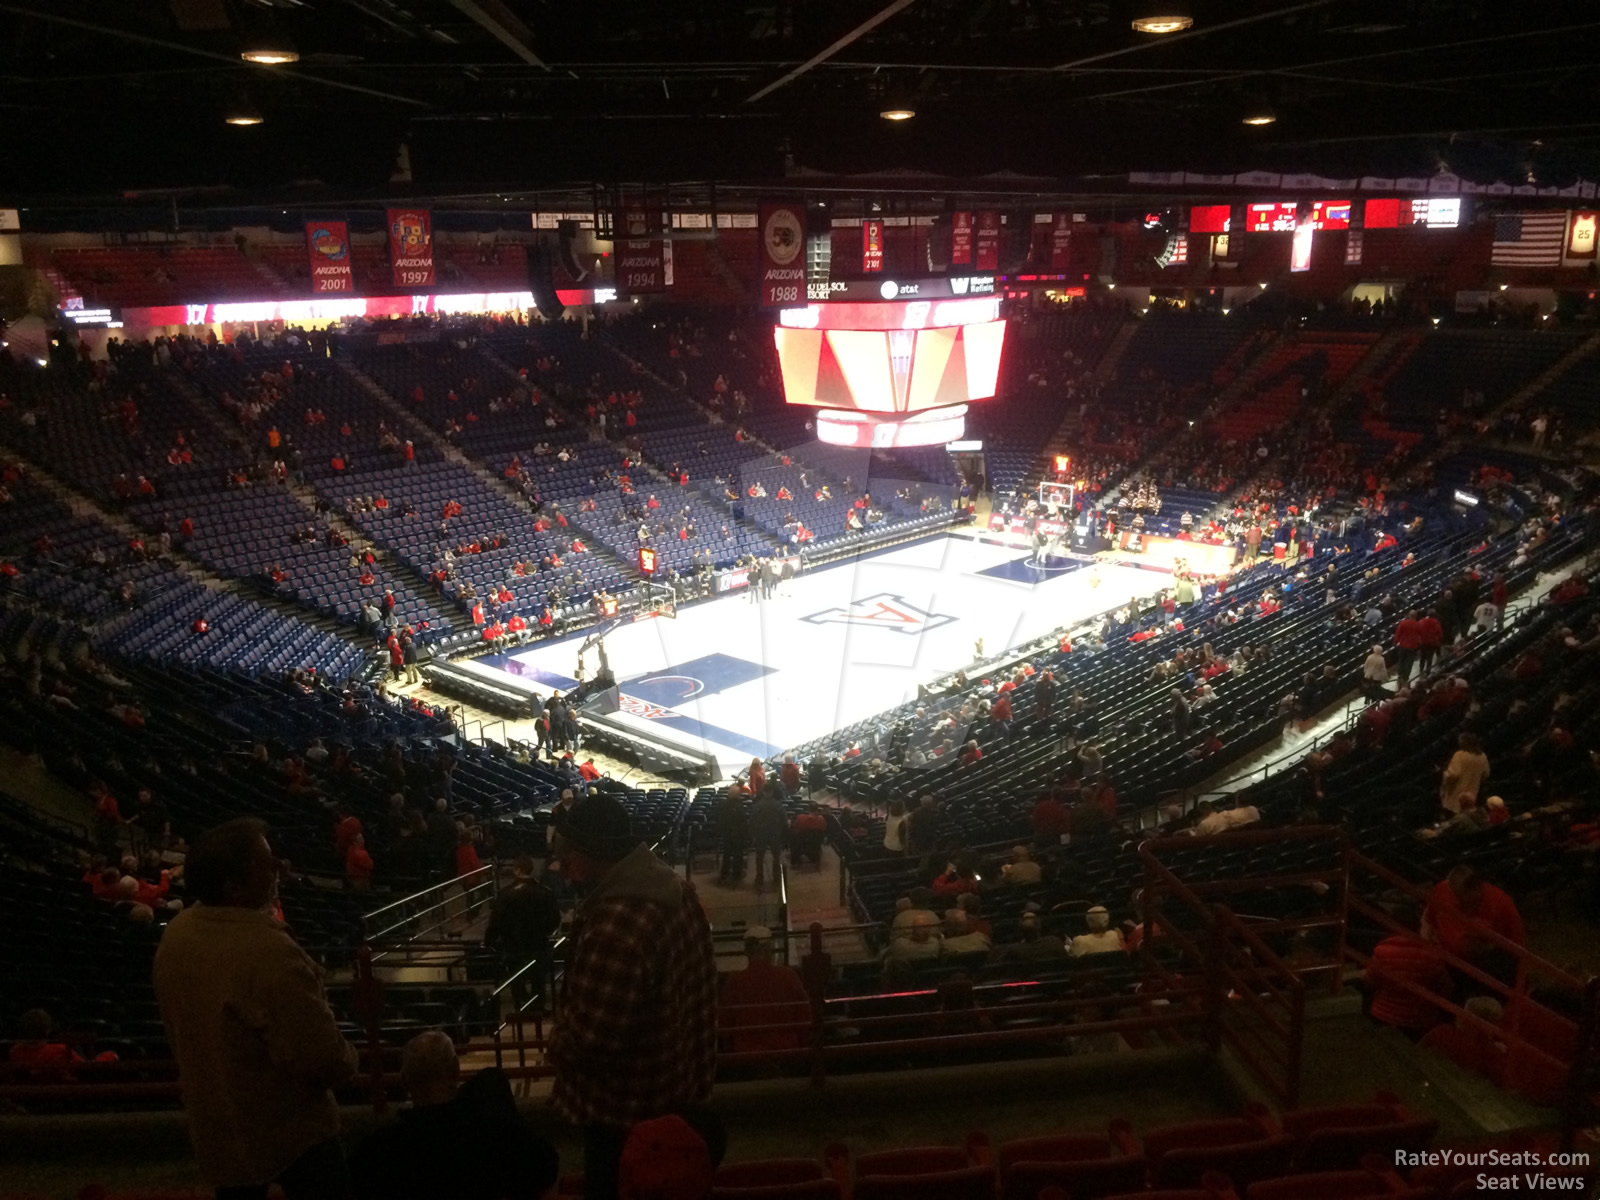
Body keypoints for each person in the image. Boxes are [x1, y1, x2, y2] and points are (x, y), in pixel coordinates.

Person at [154, 817, 359, 1199]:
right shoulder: (267, 951)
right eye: (266, 866)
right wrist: (350, 1059)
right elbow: (318, 1056)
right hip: (290, 1132)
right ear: (234, 887)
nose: (277, 871)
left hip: (216, 1126)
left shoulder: (177, 935)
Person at [549, 795, 717, 1200]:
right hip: (680, 1101)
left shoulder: (615, 926)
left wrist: (556, 1044)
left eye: (568, 852)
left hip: (624, 1120)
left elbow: (591, 1039)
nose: (562, 866)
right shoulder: (674, 888)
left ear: (590, 852)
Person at [348, 1031, 559, 1200]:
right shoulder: (493, 1133)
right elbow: (546, 1167)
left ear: (404, 1083)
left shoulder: (377, 1150)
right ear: (456, 1071)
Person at [485, 856, 562, 1011]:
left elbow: (496, 921)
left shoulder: (506, 894)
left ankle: (522, 1008)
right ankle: (537, 1009)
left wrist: (490, 941)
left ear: (517, 869)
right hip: (539, 943)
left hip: (514, 944)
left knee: (517, 979)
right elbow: (555, 918)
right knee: (538, 980)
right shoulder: (545, 892)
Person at [718, 927, 811, 1056]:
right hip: (787, 1052)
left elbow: (725, 1023)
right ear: (769, 950)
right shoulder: (789, 976)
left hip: (746, 1056)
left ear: (747, 951)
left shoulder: (734, 982)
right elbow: (804, 1017)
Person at [1422, 865, 1525, 973]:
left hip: (1485, 968)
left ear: (1477, 888)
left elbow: (1516, 945)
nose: (1458, 901)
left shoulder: (1501, 904)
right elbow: (1428, 922)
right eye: (1455, 895)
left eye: (1462, 897)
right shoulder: (1442, 892)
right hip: (1448, 963)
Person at [1440, 732, 1490, 815]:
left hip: (1456, 794)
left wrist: (1444, 773)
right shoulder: (1482, 756)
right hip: (1472, 793)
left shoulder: (1460, 755)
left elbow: (1453, 774)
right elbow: (1486, 774)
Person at [746, 786, 785, 888]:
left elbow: (752, 822)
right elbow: (784, 820)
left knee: (759, 857)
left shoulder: (757, 806)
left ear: (763, 792)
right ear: (771, 792)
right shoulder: (778, 805)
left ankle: (759, 877)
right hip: (775, 834)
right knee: (776, 857)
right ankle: (776, 877)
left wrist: (753, 834)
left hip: (761, 835)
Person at [715, 785, 748, 884]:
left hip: (726, 834)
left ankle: (724, 873)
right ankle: (736, 874)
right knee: (738, 855)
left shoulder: (722, 805)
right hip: (737, 835)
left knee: (727, 854)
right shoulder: (739, 807)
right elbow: (743, 822)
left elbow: (719, 820)